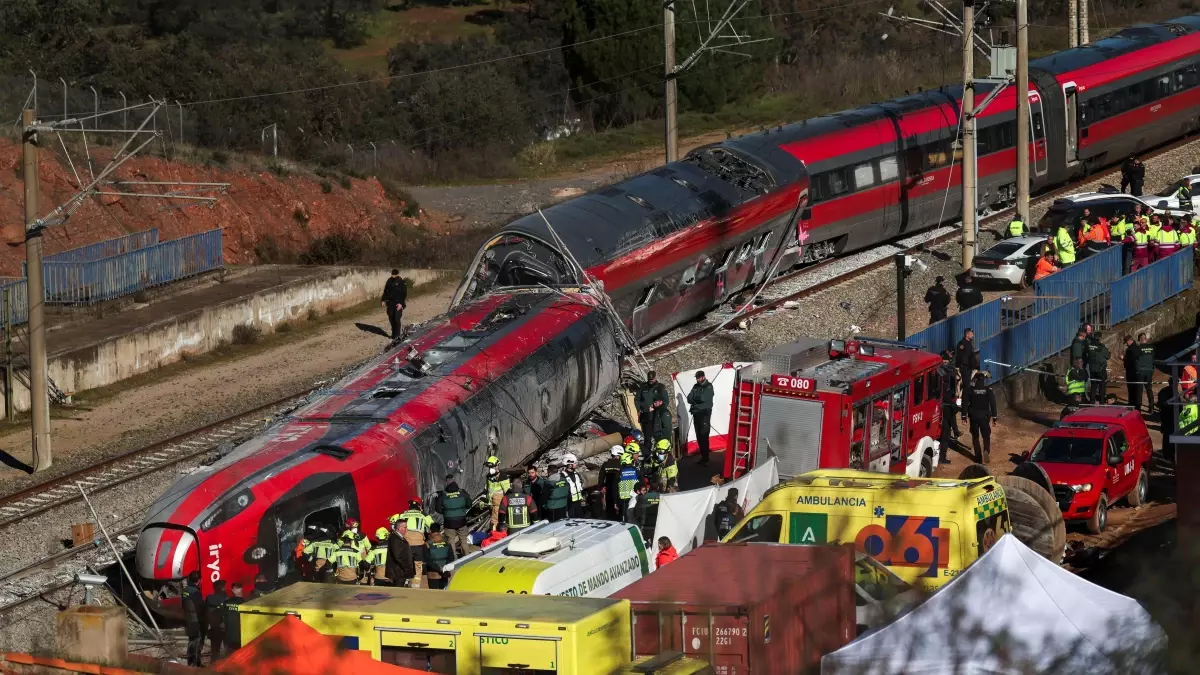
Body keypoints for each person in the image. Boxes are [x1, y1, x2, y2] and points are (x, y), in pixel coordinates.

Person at [395, 500, 433, 588]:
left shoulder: (402, 515)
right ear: (419, 507)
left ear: (409, 507)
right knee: (418, 564)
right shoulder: (423, 515)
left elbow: (394, 527)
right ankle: (416, 585)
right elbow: (432, 525)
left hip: (405, 544)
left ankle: (405, 580)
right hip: (418, 544)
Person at [962, 372, 998, 463]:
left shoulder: (970, 390)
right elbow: (993, 404)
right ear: (983, 380)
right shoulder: (988, 390)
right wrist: (994, 418)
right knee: (986, 435)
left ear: (975, 379)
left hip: (973, 416)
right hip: (984, 417)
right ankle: (986, 450)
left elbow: (965, 403)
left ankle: (978, 457)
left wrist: (963, 416)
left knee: (975, 436)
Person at [436, 474, 474, 556]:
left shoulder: (443, 495)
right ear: (454, 480)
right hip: (461, 521)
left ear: (446, 482)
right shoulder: (462, 492)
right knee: (464, 540)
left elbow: (437, 509)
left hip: (449, 522)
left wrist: (446, 512)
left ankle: (454, 559)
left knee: (451, 541)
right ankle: (467, 557)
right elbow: (469, 504)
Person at [686, 370, 715, 465]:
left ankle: (706, 458)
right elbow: (688, 398)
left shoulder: (708, 386)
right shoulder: (695, 386)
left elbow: (703, 398)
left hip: (704, 413)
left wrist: (694, 398)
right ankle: (703, 457)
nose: (697, 379)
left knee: (704, 435)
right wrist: (696, 399)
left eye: (698, 378)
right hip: (696, 413)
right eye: (696, 378)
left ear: (703, 377)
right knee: (699, 436)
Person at [636, 371, 671, 446]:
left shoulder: (661, 387)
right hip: (646, 414)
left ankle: (659, 451)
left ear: (655, 378)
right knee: (647, 436)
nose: (651, 381)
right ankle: (647, 454)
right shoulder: (643, 387)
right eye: (649, 379)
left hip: (657, 415)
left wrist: (658, 408)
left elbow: (666, 401)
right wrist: (639, 410)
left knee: (658, 434)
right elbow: (637, 399)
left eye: (652, 379)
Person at [938, 350, 960, 463]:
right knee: (945, 434)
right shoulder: (949, 373)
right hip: (946, 405)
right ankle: (942, 457)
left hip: (942, 404)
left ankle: (956, 431)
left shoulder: (938, 370)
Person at [182, 572, 207, 666]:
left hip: (188, 619)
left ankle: (190, 662)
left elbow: (183, 605)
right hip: (195, 621)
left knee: (191, 641)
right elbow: (200, 608)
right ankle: (195, 663)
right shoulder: (196, 592)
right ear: (199, 581)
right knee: (196, 642)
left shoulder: (185, 590)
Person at [1130, 333, 1156, 414]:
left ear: (1139, 340)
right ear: (1146, 339)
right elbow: (1153, 357)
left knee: (1139, 390)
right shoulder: (1152, 347)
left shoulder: (1138, 348)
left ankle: (1138, 408)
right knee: (1149, 389)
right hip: (1149, 371)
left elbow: (1134, 359)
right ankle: (1151, 407)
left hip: (1140, 371)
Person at [385, 520, 415, 587]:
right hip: (398, 572)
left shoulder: (399, 538)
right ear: (399, 528)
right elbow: (397, 556)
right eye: (405, 527)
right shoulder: (395, 538)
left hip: (400, 571)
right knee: (398, 591)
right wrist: (406, 568)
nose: (406, 529)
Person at [205, 579, 230, 661]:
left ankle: (213, 668)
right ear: (222, 588)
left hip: (214, 628)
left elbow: (205, 612)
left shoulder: (209, 598)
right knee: (228, 652)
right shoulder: (226, 599)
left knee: (215, 652)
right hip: (225, 628)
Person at [425, 524, 456, 589]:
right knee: (443, 595)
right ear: (439, 530)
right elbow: (451, 557)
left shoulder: (427, 544)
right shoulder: (447, 542)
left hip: (433, 574)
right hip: (445, 573)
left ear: (430, 531)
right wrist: (444, 568)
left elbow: (428, 560)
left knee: (433, 595)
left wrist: (439, 569)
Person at [381, 269, 408, 339]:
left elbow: (404, 294)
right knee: (391, 318)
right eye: (392, 274)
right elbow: (385, 291)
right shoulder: (389, 281)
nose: (393, 275)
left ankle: (398, 335)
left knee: (397, 318)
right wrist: (383, 300)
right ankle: (393, 334)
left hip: (398, 303)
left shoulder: (401, 282)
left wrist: (401, 303)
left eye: (394, 274)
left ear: (397, 274)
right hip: (390, 303)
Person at [1086, 330, 1110, 403]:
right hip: (1100, 369)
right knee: (1102, 386)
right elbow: (1108, 356)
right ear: (1099, 338)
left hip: (1092, 368)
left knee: (1094, 385)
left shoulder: (1089, 346)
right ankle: (1101, 401)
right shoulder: (1101, 346)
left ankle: (1092, 401)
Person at [601, 445, 624, 520]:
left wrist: (602, 487)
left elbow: (601, 478)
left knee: (610, 514)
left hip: (609, 492)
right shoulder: (621, 465)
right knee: (619, 514)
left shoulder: (605, 464)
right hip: (619, 492)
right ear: (618, 455)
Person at [223, 582, 244, 654]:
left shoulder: (226, 603)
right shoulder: (246, 603)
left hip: (228, 635)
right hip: (241, 636)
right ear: (241, 589)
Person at [617, 458, 640, 522]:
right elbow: (641, 482)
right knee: (633, 514)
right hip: (634, 496)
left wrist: (615, 501)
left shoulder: (620, 472)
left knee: (624, 516)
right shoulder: (635, 471)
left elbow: (615, 486)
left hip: (623, 497)